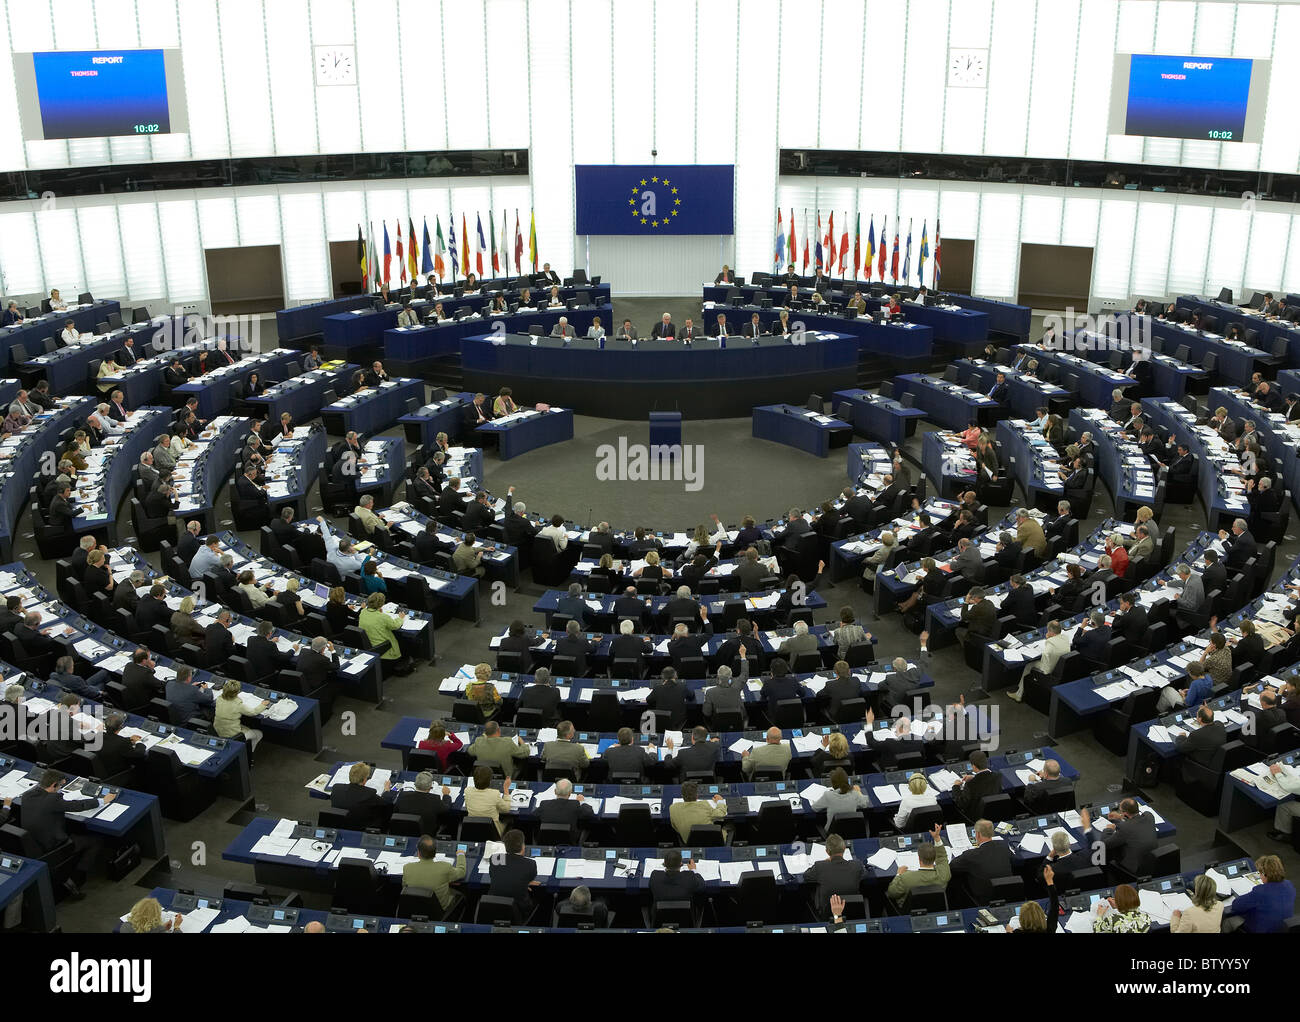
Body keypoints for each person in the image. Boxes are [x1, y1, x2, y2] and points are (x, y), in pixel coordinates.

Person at [20, 769, 117, 897]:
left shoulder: (27, 795)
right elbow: (78, 806)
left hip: (35, 842)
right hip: (54, 846)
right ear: (53, 785)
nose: (61, 789)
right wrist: (103, 801)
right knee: (96, 841)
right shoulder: (52, 800)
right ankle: (77, 879)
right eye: (60, 786)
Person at [1222, 854, 1295, 932]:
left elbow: (1236, 906)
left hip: (1261, 929)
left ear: (1264, 874)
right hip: (1280, 927)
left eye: (1260, 873)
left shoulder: (1260, 891)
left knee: (1227, 922)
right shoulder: (1289, 885)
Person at [886, 825, 950, 911]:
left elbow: (891, 893)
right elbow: (942, 858)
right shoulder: (944, 874)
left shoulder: (906, 877)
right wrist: (937, 838)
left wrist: (899, 874)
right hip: (935, 909)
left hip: (908, 911)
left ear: (919, 858)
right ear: (935, 858)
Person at [949, 818, 1016, 901]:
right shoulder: (1004, 846)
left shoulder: (970, 855)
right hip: (1008, 894)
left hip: (984, 897)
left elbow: (952, 866)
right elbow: (1014, 859)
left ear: (977, 834)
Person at [803, 833, 866, 918]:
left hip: (827, 914)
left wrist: (825, 861)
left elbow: (806, 876)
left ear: (827, 852)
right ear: (844, 849)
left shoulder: (820, 866)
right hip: (852, 911)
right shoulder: (856, 866)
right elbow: (865, 873)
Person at [1085, 800, 1155, 875]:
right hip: (1149, 860)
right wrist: (1119, 819)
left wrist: (1109, 829)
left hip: (1132, 868)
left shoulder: (1125, 830)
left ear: (1125, 814)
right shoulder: (1149, 815)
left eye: (1120, 811)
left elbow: (1104, 844)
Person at [402, 835, 466, 915]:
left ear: (418, 853)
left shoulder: (407, 868)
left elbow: (404, 888)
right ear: (435, 853)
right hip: (439, 911)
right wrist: (461, 854)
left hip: (415, 909)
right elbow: (462, 872)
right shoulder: (445, 867)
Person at [359, 592, 410, 672]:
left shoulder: (363, 612)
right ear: (381, 604)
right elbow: (395, 625)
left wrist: (379, 612)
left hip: (370, 645)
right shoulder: (383, 617)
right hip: (385, 649)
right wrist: (401, 618)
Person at [214, 679, 266, 750]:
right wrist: (263, 705)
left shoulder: (219, 699)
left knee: (245, 727)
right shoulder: (238, 705)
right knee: (258, 734)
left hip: (218, 729)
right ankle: (249, 752)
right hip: (231, 733)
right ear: (237, 692)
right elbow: (253, 712)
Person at [464, 765, 512, 835]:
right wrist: (506, 788)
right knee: (510, 820)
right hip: (493, 832)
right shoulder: (494, 794)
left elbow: (466, 804)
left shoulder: (467, 791)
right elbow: (506, 809)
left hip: (473, 831)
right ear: (490, 781)